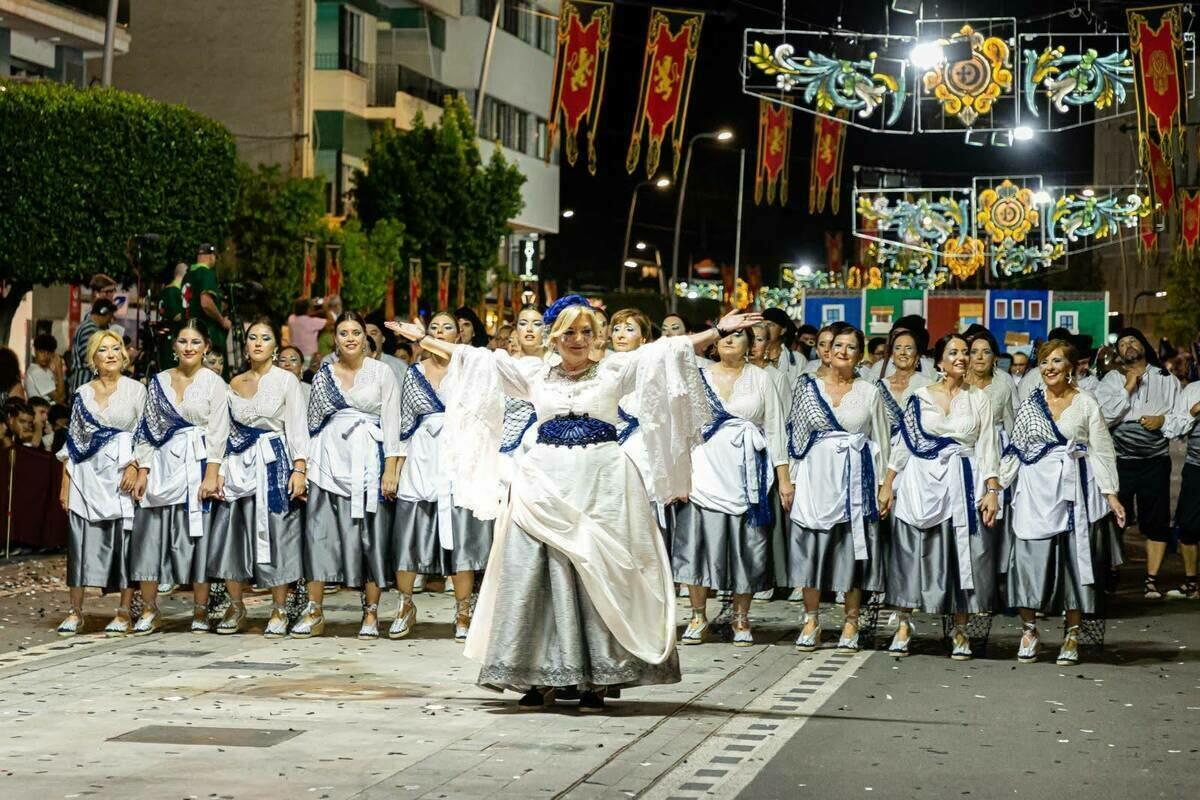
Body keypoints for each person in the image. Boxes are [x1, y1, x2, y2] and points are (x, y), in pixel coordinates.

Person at [388, 297, 756, 711]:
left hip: (603, 483)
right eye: (568, 332)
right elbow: (475, 359)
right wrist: (425, 340)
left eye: (584, 332)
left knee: (600, 574)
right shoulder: (533, 373)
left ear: (595, 336)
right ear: (554, 337)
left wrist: (717, 332)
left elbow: (670, 350)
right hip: (543, 483)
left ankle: (595, 679)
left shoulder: (616, 368)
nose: (576, 340)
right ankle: (534, 675)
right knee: (534, 575)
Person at [1001, 339, 1125, 666]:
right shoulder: (1031, 403)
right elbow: (1016, 449)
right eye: (1044, 362)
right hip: (1034, 491)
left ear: (1070, 366)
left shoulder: (1085, 403)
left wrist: (1111, 494)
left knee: (1073, 564)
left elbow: (1101, 449)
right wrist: (995, 487)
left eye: (1056, 361)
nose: (1050, 367)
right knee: (1027, 560)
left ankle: (1071, 635)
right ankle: (1029, 631)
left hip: (1073, 494)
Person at [881, 333, 1003, 660]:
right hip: (920, 483)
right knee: (911, 555)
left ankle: (960, 629)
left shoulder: (979, 399)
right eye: (954, 352)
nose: (962, 357)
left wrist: (992, 490)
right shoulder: (920, 397)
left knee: (959, 555)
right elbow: (904, 443)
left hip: (963, 482)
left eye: (965, 352)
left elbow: (989, 446)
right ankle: (904, 623)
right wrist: (888, 483)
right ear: (939, 360)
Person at [673, 324, 792, 647]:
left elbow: (776, 430)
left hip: (747, 473)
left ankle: (741, 616)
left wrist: (784, 478)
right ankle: (698, 615)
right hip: (703, 470)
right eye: (725, 334)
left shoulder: (762, 378)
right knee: (698, 547)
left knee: (747, 548)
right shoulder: (698, 377)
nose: (729, 340)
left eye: (739, 335)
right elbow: (681, 427)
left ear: (751, 344)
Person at [293, 311, 402, 639]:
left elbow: (393, 423)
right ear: (335, 339)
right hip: (327, 462)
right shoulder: (324, 375)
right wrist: (304, 468)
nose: (351, 337)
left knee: (369, 539)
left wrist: (391, 468)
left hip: (368, 462)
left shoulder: (382, 373)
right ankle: (314, 611)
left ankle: (370, 613)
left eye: (356, 332)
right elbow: (311, 425)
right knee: (318, 535)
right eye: (343, 333)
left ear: (366, 339)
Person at [390, 311, 492, 642]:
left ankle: (463, 609)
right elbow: (403, 424)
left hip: (459, 458)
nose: (440, 332)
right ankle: (405, 604)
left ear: (459, 336)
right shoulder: (413, 373)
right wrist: (394, 469)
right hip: (421, 458)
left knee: (461, 538)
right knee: (410, 535)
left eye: (447, 327)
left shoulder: (470, 368)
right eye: (433, 327)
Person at [789, 323, 891, 653]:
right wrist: (789, 481)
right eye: (837, 346)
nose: (843, 351)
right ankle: (811, 619)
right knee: (812, 549)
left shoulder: (869, 392)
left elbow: (882, 441)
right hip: (815, 475)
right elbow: (796, 439)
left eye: (850, 347)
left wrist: (883, 485)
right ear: (827, 352)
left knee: (851, 550)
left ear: (859, 355)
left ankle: (851, 621)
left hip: (855, 476)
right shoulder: (808, 388)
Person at [206, 319, 308, 636]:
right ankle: (237, 606)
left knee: (278, 534)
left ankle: (278, 609)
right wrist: (216, 470)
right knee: (232, 535)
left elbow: (297, 426)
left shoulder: (286, 381)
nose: (259, 343)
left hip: (274, 461)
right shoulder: (233, 383)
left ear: (275, 346)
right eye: (253, 338)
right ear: (246, 345)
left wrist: (300, 468)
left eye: (266, 337)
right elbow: (220, 432)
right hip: (237, 465)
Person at [129, 320, 229, 635]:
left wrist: (212, 473)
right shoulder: (157, 381)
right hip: (161, 465)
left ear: (206, 348)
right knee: (150, 537)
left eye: (195, 342)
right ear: (174, 346)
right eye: (183, 341)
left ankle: (200, 611)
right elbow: (146, 430)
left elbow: (219, 431)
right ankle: (149, 608)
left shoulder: (213, 383)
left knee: (197, 540)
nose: (188, 347)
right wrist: (142, 468)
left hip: (198, 464)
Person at [54, 330, 145, 637]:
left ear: (124, 354)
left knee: (124, 544)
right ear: (92, 358)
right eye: (103, 350)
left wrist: (135, 466)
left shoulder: (135, 390)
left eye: (116, 348)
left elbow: (145, 436)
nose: (110, 354)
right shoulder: (82, 393)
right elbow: (73, 444)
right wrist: (65, 485)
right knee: (80, 544)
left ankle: (122, 612)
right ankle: (75, 611)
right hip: (86, 475)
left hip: (120, 475)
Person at [1093, 327, 1184, 599]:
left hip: (1155, 461)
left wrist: (1163, 421)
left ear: (1144, 344)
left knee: (1156, 522)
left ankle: (1151, 580)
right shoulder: (1110, 380)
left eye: (1133, 340)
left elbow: (1181, 419)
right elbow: (1104, 417)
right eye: (1122, 343)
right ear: (1118, 352)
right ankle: (1111, 572)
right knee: (1114, 519)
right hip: (1119, 462)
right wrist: (1128, 386)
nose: (1128, 345)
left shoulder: (1166, 379)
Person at [1167, 357, 1200, 600]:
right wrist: (1193, 411)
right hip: (1195, 467)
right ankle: (1191, 583)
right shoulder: (1192, 390)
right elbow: (1174, 429)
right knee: (1188, 526)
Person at [182, 244, 231, 363]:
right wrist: (222, 320)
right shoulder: (206, 273)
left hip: (188, 332)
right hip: (206, 333)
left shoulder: (188, 275)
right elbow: (205, 302)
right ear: (211, 256)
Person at [68, 300, 117, 395]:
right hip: (85, 386)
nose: (110, 320)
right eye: (109, 316)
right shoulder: (89, 329)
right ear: (103, 312)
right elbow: (89, 358)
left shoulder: (90, 328)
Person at [865, 315, 935, 380]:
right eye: (896, 333)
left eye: (904, 334)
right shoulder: (879, 367)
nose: (899, 337)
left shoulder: (929, 367)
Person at [761, 308, 806, 384]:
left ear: (783, 330)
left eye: (770, 325)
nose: (766, 329)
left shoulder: (798, 360)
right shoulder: (752, 356)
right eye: (763, 325)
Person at [365, 315, 407, 387]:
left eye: (373, 333)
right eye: (365, 334)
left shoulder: (399, 366)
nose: (369, 338)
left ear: (383, 338)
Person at [287, 298, 328, 369]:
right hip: (309, 357)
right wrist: (325, 309)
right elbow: (332, 322)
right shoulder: (312, 322)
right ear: (308, 309)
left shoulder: (291, 319)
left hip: (294, 354)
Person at [25, 334, 64, 403]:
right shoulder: (36, 371)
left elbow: (62, 395)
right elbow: (59, 398)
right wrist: (59, 369)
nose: (45, 356)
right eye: (42, 352)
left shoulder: (47, 371)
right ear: (35, 351)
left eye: (48, 353)